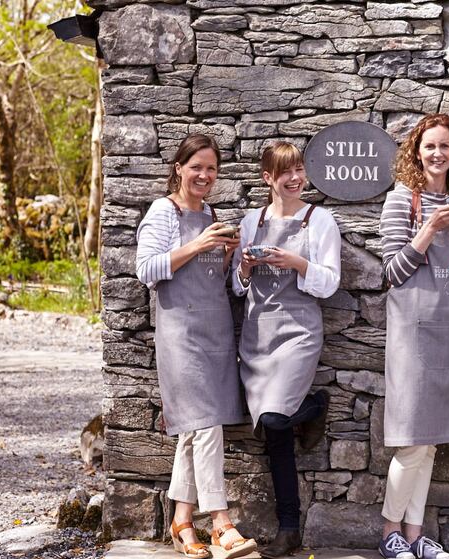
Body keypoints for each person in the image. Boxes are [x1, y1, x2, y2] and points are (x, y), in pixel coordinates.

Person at [136, 134, 257, 559]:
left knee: (195, 428)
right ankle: (220, 521)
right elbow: (145, 269)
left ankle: (183, 522)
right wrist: (198, 245)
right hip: (180, 333)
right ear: (179, 168)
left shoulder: (212, 213)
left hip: (216, 330)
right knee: (206, 424)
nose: (204, 175)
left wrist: (234, 260)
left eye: (211, 169)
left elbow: (225, 285)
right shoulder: (162, 212)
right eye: (197, 167)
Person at [377, 114, 449, 559]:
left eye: (445, 147)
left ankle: (415, 537)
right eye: (430, 147)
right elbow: (392, 272)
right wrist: (431, 228)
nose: (438, 154)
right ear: (416, 153)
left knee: (432, 439)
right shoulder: (402, 201)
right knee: (413, 438)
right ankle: (389, 533)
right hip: (413, 333)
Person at [231, 141, 340, 558]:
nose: (295, 178)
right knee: (273, 433)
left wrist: (295, 263)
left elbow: (329, 282)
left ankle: (314, 404)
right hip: (258, 334)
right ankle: (289, 528)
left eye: (299, 170)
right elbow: (239, 288)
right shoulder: (250, 221)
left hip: (298, 332)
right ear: (268, 179)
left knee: (276, 417)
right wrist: (244, 267)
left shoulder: (320, 220)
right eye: (285, 172)